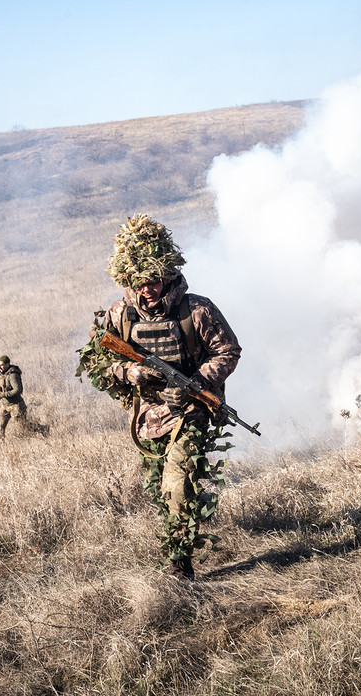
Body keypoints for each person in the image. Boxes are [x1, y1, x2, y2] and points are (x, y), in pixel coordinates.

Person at [78, 215, 241, 581]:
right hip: (147, 416)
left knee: (177, 484)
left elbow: (228, 351)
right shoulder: (120, 316)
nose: (146, 289)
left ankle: (179, 563)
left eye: (152, 280)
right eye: (138, 282)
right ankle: (177, 542)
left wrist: (196, 382)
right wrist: (128, 372)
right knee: (159, 488)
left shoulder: (197, 310)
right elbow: (96, 362)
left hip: (191, 410)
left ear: (166, 275)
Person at [0, 355, 27, 437]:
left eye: (1, 365)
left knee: (23, 428)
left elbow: (17, 390)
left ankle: (43, 429)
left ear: (8, 364)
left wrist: (3, 395)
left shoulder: (13, 375)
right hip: (5, 405)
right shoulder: (1, 376)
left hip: (16, 405)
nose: (0, 367)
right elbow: (0, 391)